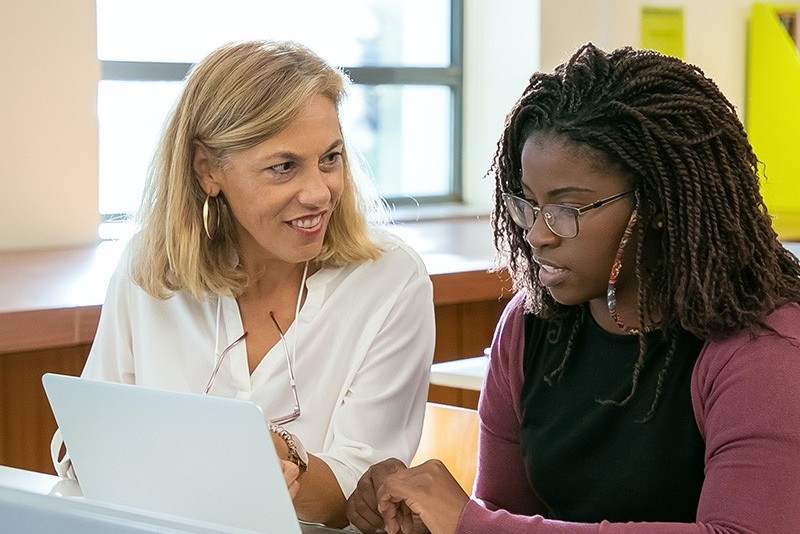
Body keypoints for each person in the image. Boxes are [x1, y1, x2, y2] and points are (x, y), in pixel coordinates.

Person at [346, 43, 800, 533]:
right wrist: (425, 520)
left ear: (657, 204)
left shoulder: (765, 346)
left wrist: (471, 524)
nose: (537, 234)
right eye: (527, 203)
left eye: (567, 209)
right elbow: (503, 515)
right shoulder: (528, 325)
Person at [51, 40, 435, 528]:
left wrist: (284, 464)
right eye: (284, 167)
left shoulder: (391, 280)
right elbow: (83, 440)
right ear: (208, 169)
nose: (319, 192)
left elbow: (362, 496)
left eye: (331, 158)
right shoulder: (150, 267)